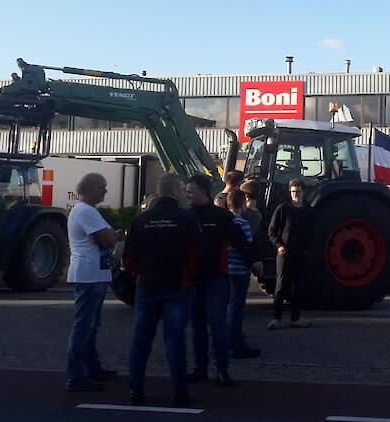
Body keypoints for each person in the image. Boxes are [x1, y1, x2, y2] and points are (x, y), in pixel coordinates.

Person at [124, 173, 200, 406]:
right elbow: (195, 255)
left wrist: (139, 275)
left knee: (141, 340)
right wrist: (191, 279)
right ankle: (179, 392)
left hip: (147, 286)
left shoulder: (140, 220)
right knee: (175, 341)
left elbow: (129, 256)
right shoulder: (186, 219)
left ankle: (135, 391)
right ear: (176, 192)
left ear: (158, 192)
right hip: (177, 286)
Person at [186, 174, 255, 387]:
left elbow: (241, 242)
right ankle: (200, 368)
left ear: (203, 191)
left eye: (191, 190)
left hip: (216, 278)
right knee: (198, 326)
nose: (188, 193)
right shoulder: (186, 216)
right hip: (194, 280)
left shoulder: (221, 217)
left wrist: (253, 261)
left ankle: (222, 369)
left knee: (216, 323)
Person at [64, 172, 118, 392]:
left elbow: (108, 237)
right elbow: (108, 239)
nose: (105, 191)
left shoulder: (87, 211)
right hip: (89, 275)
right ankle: (76, 375)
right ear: (89, 189)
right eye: (102, 187)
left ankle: (92, 367)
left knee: (91, 325)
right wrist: (112, 236)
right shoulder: (86, 212)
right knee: (84, 326)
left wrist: (111, 235)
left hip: (94, 274)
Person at [267, 179, 315, 330]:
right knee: (281, 285)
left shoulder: (308, 209)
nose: (296, 195)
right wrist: (279, 245)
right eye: (293, 192)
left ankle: (295, 318)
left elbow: (312, 231)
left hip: (300, 253)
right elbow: (272, 231)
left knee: (297, 286)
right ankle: (276, 318)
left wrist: (308, 249)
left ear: (303, 192)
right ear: (290, 192)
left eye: (298, 192)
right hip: (285, 252)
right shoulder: (283, 209)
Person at [225, 190, 263, 359]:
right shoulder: (243, 224)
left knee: (226, 307)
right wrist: (255, 265)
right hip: (239, 272)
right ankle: (235, 343)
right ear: (242, 204)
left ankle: (225, 340)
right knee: (236, 309)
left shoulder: (224, 222)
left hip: (226, 271)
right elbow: (247, 248)